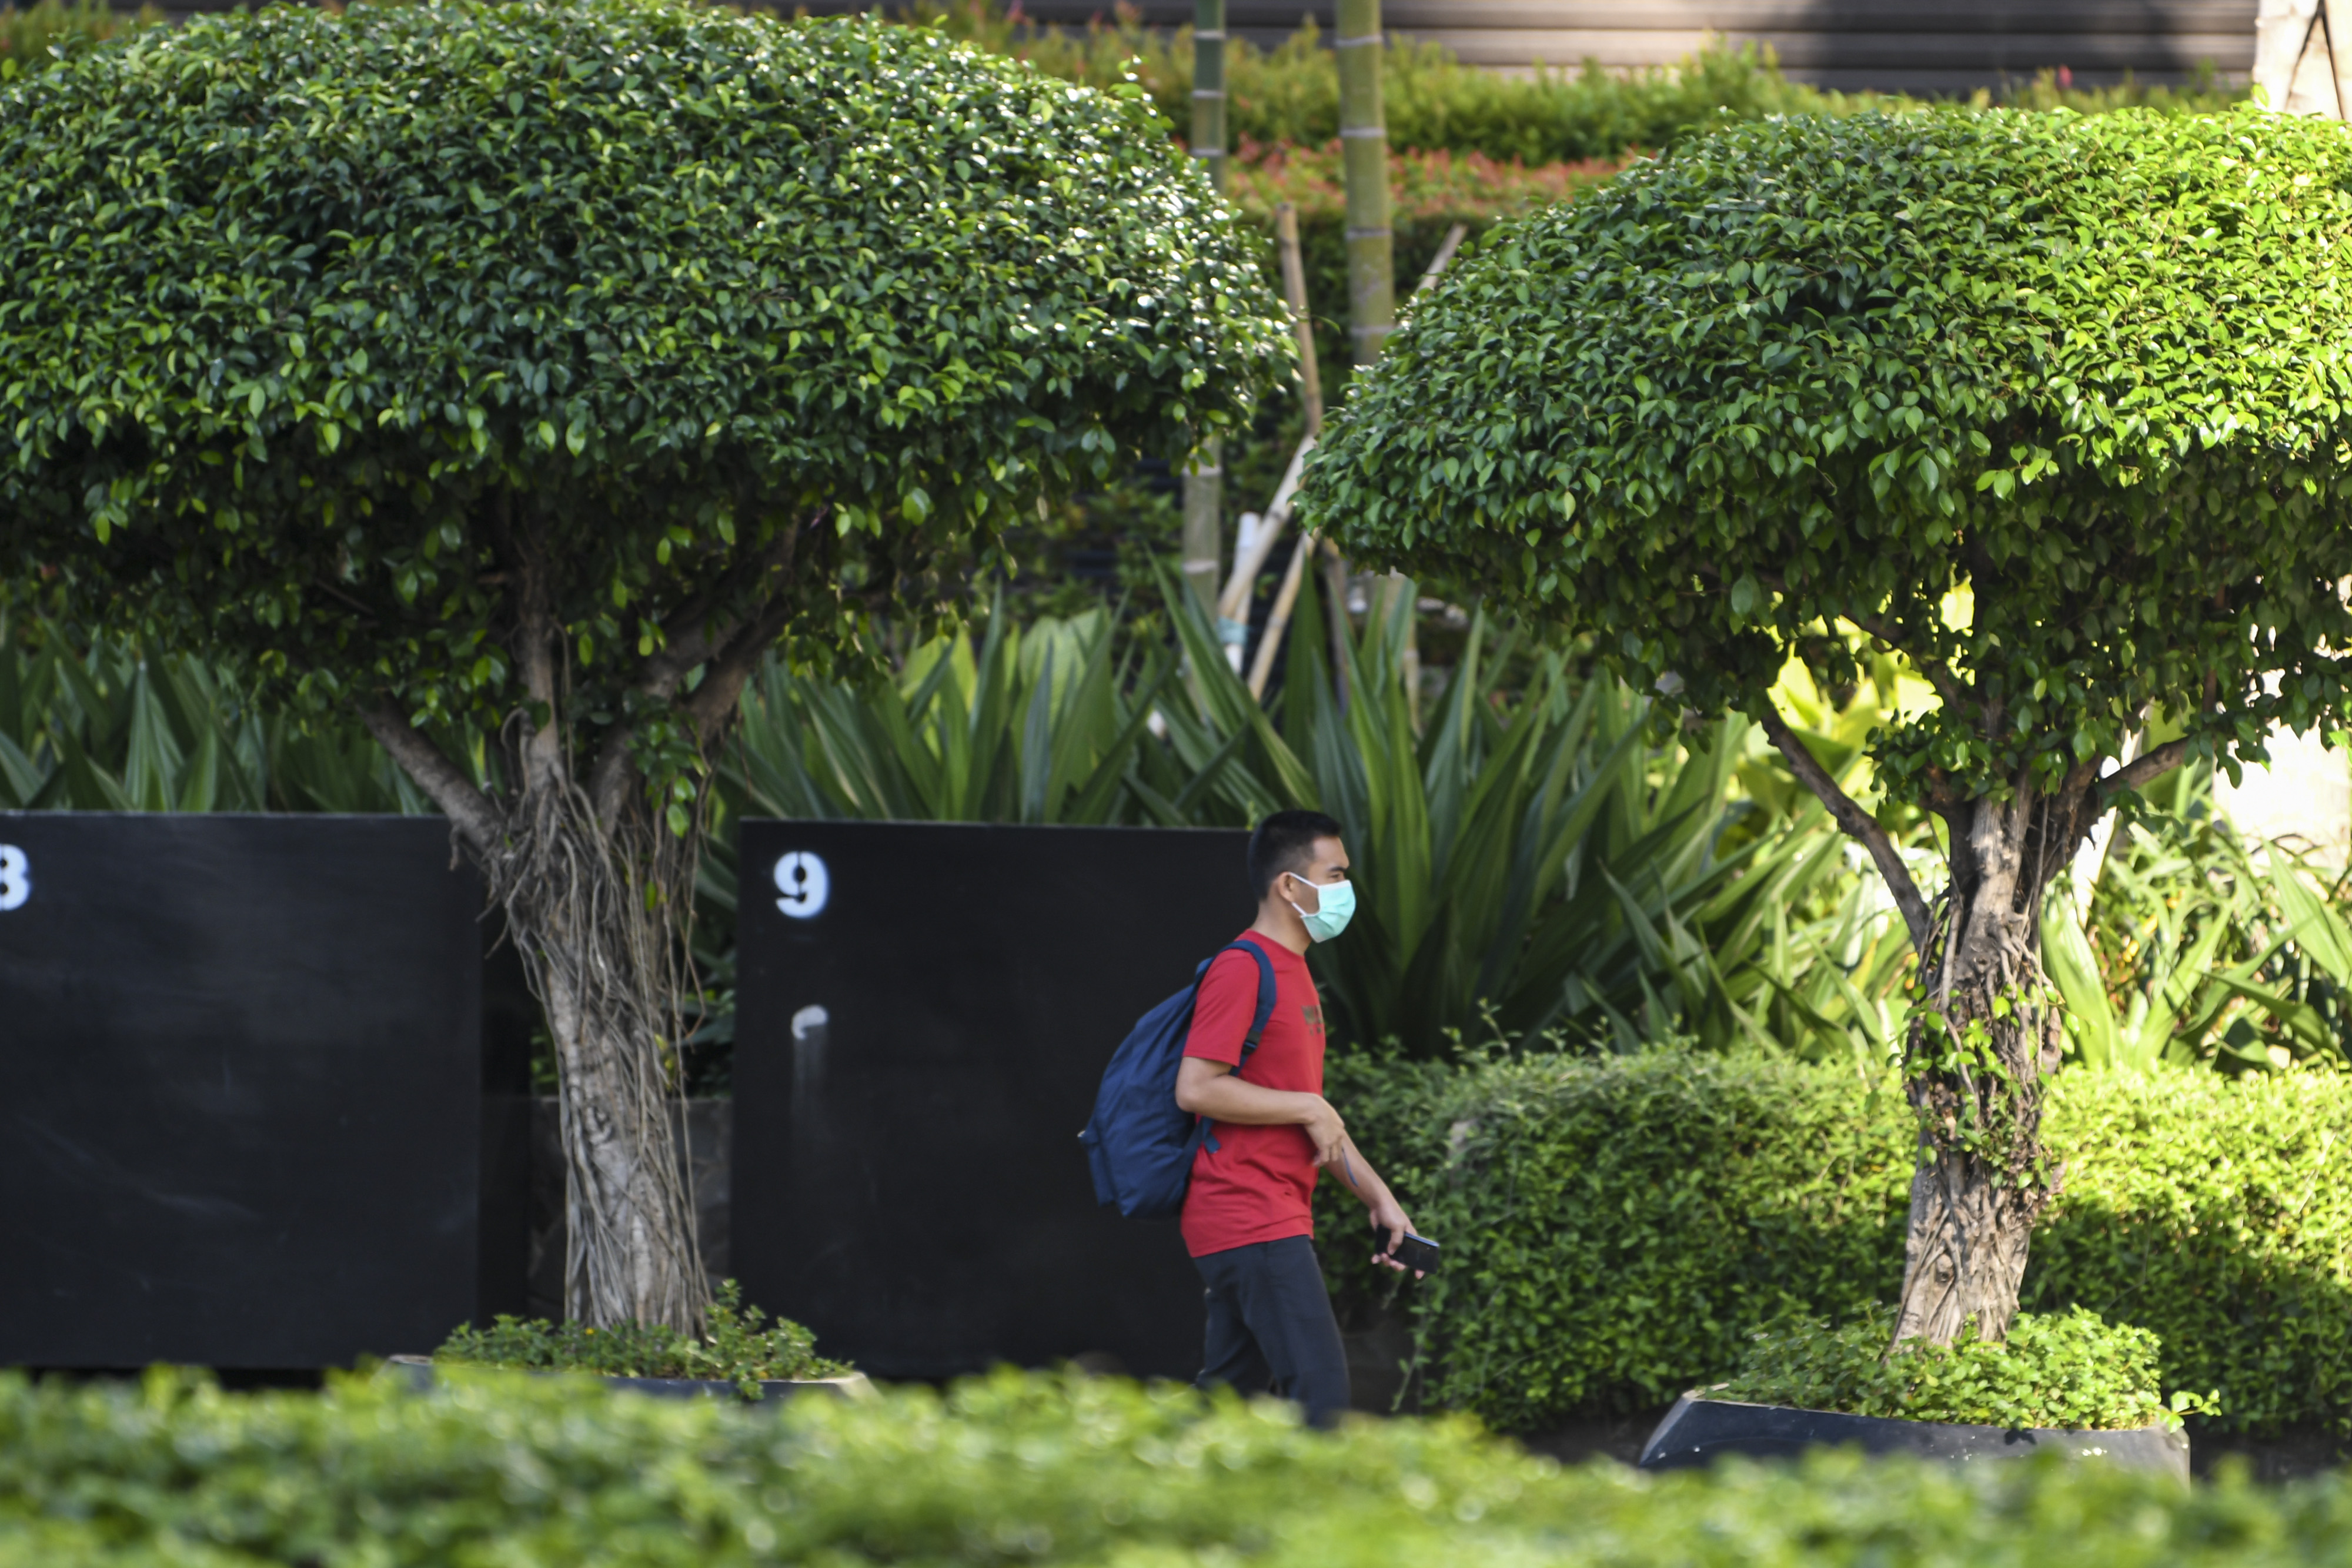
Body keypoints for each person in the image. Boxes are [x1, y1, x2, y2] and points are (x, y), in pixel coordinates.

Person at [1173, 807, 1419, 1429]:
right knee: (1321, 1395)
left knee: (1226, 1398)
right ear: (1290, 884)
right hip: (1248, 1209)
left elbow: (1313, 1119)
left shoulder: (1295, 973)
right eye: (1335, 874)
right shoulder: (1243, 967)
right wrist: (1309, 1105)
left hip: (1261, 1212)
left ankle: (1134, 1480)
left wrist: (1380, 1200)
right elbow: (1196, 1088)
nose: (1345, 889)